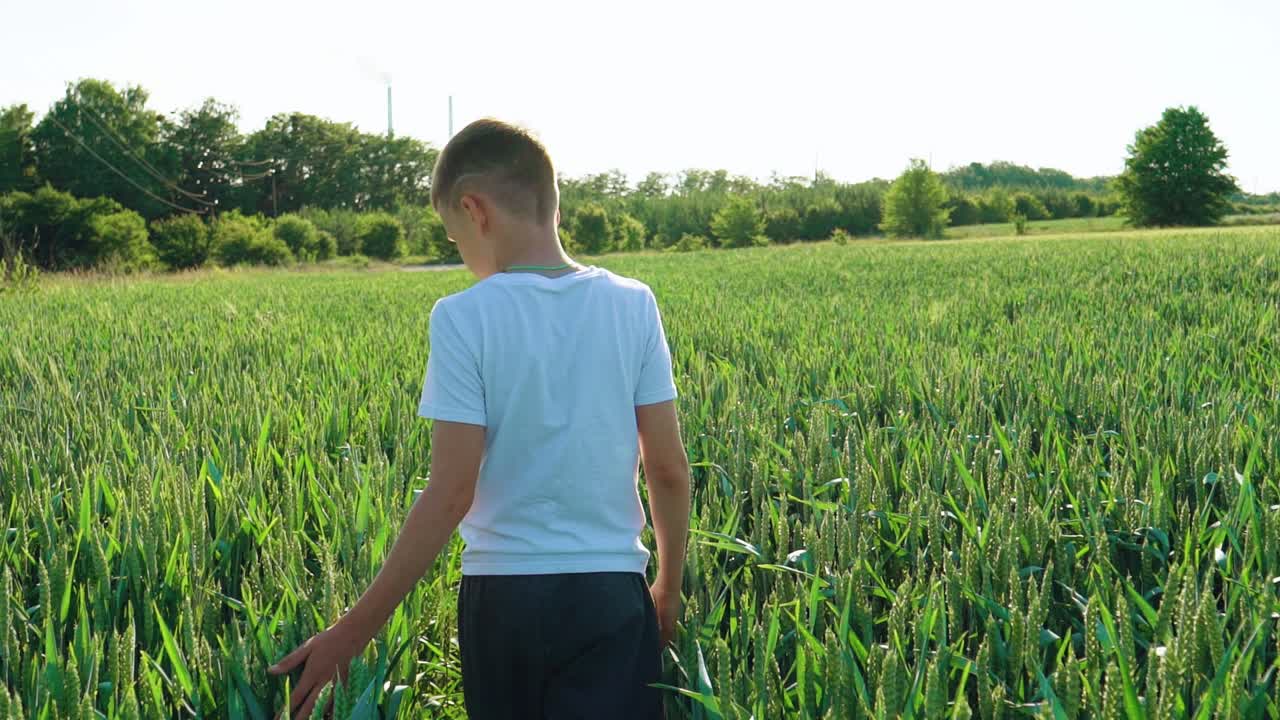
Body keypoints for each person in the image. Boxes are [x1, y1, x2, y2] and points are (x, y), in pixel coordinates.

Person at [269, 118, 692, 720]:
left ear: (475, 211)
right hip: (610, 589)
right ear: (553, 204)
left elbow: (450, 493)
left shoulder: (463, 318)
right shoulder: (633, 304)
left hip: (504, 600)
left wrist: (352, 631)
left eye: (452, 236)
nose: (460, 254)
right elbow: (669, 469)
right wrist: (667, 590)